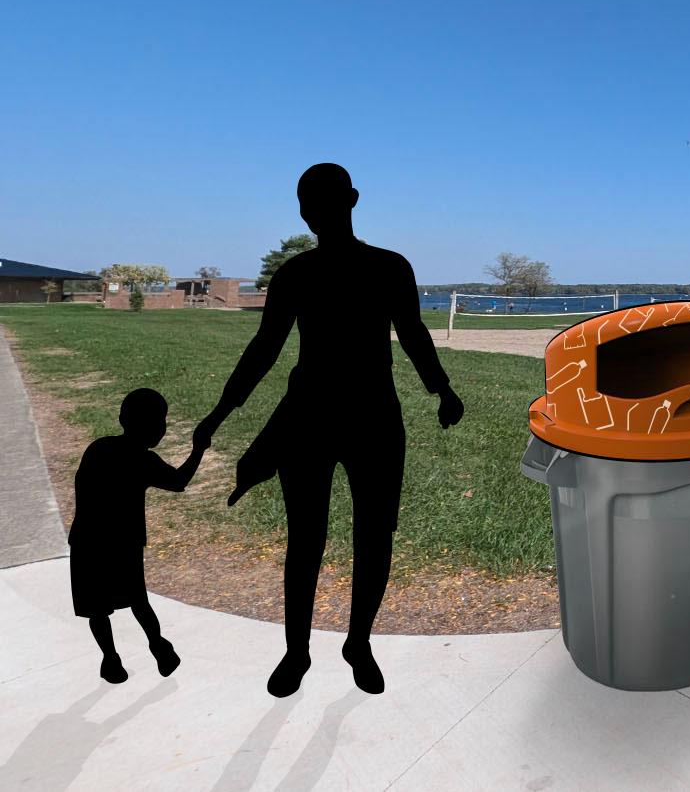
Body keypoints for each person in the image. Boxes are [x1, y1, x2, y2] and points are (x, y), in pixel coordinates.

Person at [195, 163, 465, 697]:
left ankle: (357, 642)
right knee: (307, 538)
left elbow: (412, 333)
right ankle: (297, 651)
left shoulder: (388, 268)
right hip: (310, 419)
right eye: (305, 201)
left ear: (351, 200)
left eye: (318, 199)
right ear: (303, 209)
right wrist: (219, 414)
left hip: (373, 418)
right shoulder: (296, 275)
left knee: (374, 537)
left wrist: (441, 388)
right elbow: (263, 351)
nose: (312, 210)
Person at [70, 388, 207, 684]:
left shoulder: (99, 448)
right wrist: (198, 449)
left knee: (97, 608)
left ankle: (110, 658)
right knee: (138, 601)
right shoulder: (143, 460)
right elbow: (179, 481)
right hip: (123, 543)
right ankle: (158, 644)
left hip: (86, 540)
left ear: (122, 418)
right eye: (160, 422)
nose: (162, 429)